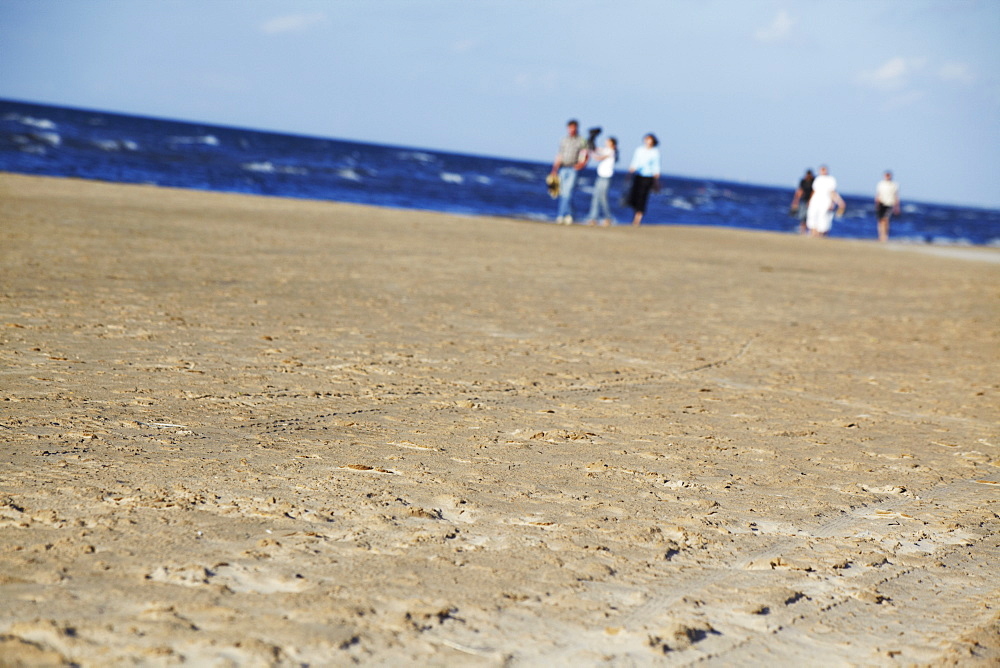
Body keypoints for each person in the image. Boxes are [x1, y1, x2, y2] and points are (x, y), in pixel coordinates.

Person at [549, 119, 590, 224]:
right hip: (563, 168)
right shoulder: (563, 140)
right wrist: (554, 169)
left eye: (573, 127)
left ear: (577, 128)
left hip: (573, 168)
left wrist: (582, 164)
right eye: (570, 127)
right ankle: (569, 215)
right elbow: (559, 155)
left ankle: (561, 215)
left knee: (568, 192)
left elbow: (586, 153)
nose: (571, 129)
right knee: (562, 193)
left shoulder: (582, 140)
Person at [627, 133, 661, 226]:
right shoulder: (639, 150)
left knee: (643, 197)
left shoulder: (655, 152)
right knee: (634, 196)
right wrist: (630, 171)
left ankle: (637, 219)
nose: (648, 141)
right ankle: (634, 215)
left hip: (648, 177)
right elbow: (635, 161)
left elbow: (656, 166)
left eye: (650, 139)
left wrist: (656, 179)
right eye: (646, 139)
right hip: (638, 175)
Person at [585, 136, 618, 226]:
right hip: (600, 176)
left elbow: (598, 157)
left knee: (603, 198)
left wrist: (591, 153)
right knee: (596, 197)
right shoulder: (606, 150)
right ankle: (593, 218)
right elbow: (597, 149)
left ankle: (608, 218)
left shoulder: (611, 151)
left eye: (608, 141)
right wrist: (591, 141)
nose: (606, 142)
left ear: (612, 143)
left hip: (606, 178)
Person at [805, 165, 845, 237]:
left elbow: (832, 192)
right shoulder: (818, 179)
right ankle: (813, 233)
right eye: (821, 170)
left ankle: (821, 235)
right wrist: (810, 200)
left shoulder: (831, 179)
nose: (822, 171)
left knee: (823, 218)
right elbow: (814, 191)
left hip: (825, 202)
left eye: (824, 170)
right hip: (815, 201)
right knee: (812, 216)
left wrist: (834, 203)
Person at [874, 170, 900, 242]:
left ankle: (885, 236)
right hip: (881, 203)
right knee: (880, 220)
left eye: (889, 175)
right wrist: (876, 204)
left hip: (889, 203)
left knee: (886, 220)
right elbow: (878, 195)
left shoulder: (894, 185)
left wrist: (897, 207)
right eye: (886, 175)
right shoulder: (881, 184)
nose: (887, 176)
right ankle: (880, 235)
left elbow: (896, 196)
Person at [789, 169, 814, 234]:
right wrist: (795, 201)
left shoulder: (813, 181)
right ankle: (802, 230)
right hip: (803, 200)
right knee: (802, 216)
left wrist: (810, 201)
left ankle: (809, 230)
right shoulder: (803, 181)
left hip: (812, 202)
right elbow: (799, 191)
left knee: (809, 216)